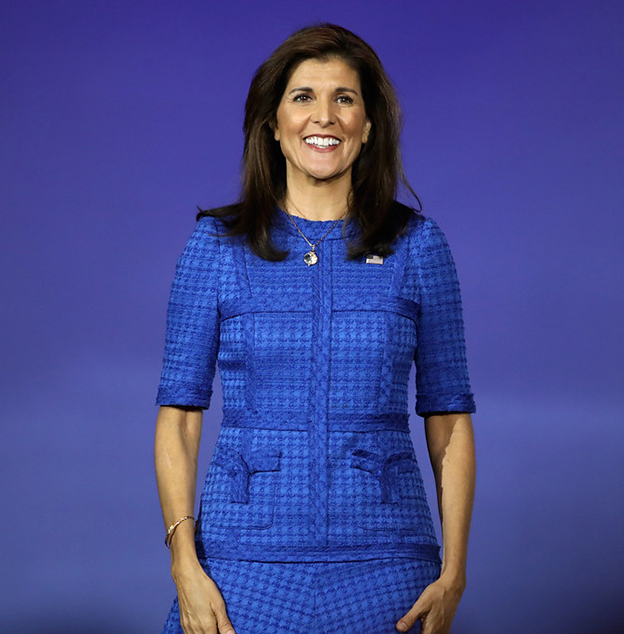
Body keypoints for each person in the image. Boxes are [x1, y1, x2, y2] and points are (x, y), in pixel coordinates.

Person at [154, 23, 475, 634]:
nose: (323, 116)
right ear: (272, 124)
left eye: (343, 98)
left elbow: (449, 416)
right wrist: (184, 565)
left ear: (368, 124)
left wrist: (455, 571)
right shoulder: (216, 246)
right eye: (303, 97)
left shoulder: (418, 245)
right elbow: (180, 418)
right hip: (240, 568)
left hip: (387, 567)